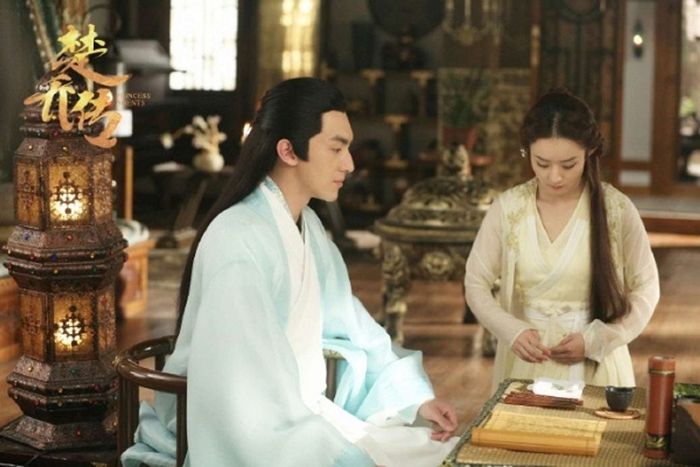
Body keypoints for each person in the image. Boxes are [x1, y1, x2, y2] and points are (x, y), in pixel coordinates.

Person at [122, 77, 458, 467]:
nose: (349, 164)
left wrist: (416, 398)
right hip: (252, 426)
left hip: (302, 415)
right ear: (288, 150)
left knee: (445, 452)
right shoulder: (237, 237)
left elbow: (353, 325)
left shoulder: (307, 225)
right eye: (336, 148)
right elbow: (245, 385)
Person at [464, 88, 660, 391]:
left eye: (568, 165)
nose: (554, 176)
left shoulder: (616, 210)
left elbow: (647, 289)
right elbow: (475, 283)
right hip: (527, 364)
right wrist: (511, 330)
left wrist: (597, 340)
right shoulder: (509, 208)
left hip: (596, 364)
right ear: (527, 152)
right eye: (542, 163)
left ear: (589, 153)